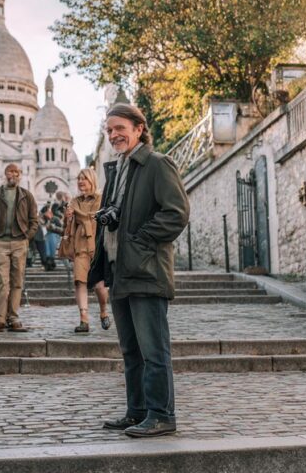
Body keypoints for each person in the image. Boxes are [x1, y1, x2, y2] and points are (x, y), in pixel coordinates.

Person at [90, 103, 189, 438]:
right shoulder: (117, 170)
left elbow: (176, 213)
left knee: (153, 350)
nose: (114, 135)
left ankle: (161, 414)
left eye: (120, 128)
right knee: (131, 351)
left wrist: (141, 239)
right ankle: (137, 412)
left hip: (146, 270)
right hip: (120, 271)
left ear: (138, 128)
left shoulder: (158, 164)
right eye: (109, 130)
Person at [0, 164, 38, 332]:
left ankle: (13, 316)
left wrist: (27, 237)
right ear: (4, 174)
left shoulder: (27, 196)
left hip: (20, 242)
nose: (12, 174)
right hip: (0, 242)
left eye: (16, 172)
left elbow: (34, 220)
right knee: (1, 281)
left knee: (17, 281)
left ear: (20, 175)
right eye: (10, 171)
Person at [65, 168, 110, 333]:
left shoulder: (101, 200)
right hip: (80, 246)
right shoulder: (74, 203)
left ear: (92, 180)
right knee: (80, 282)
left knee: (99, 286)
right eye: (79, 178)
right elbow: (70, 228)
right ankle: (84, 319)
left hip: (97, 246)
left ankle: (103, 310)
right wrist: (69, 219)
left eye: (84, 178)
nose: (81, 181)